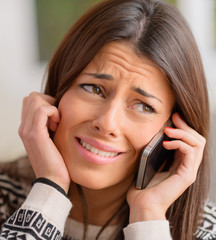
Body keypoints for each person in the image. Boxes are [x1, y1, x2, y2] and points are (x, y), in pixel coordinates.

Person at [0, 0, 215, 239]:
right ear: (59, 90)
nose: (107, 123)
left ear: (174, 129)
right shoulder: (4, 197)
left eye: (143, 106)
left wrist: (148, 215)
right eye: (93, 88)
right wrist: (50, 187)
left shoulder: (205, 230)